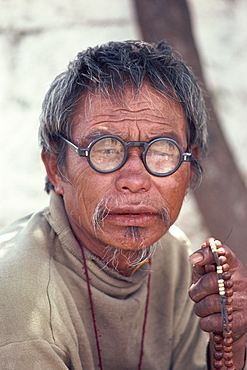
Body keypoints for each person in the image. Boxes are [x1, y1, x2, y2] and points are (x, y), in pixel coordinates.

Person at [0, 40, 246, 370]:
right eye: (105, 149)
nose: (134, 179)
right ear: (56, 168)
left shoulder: (174, 256)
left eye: (162, 150)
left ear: (190, 167)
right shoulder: (21, 305)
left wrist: (235, 341)